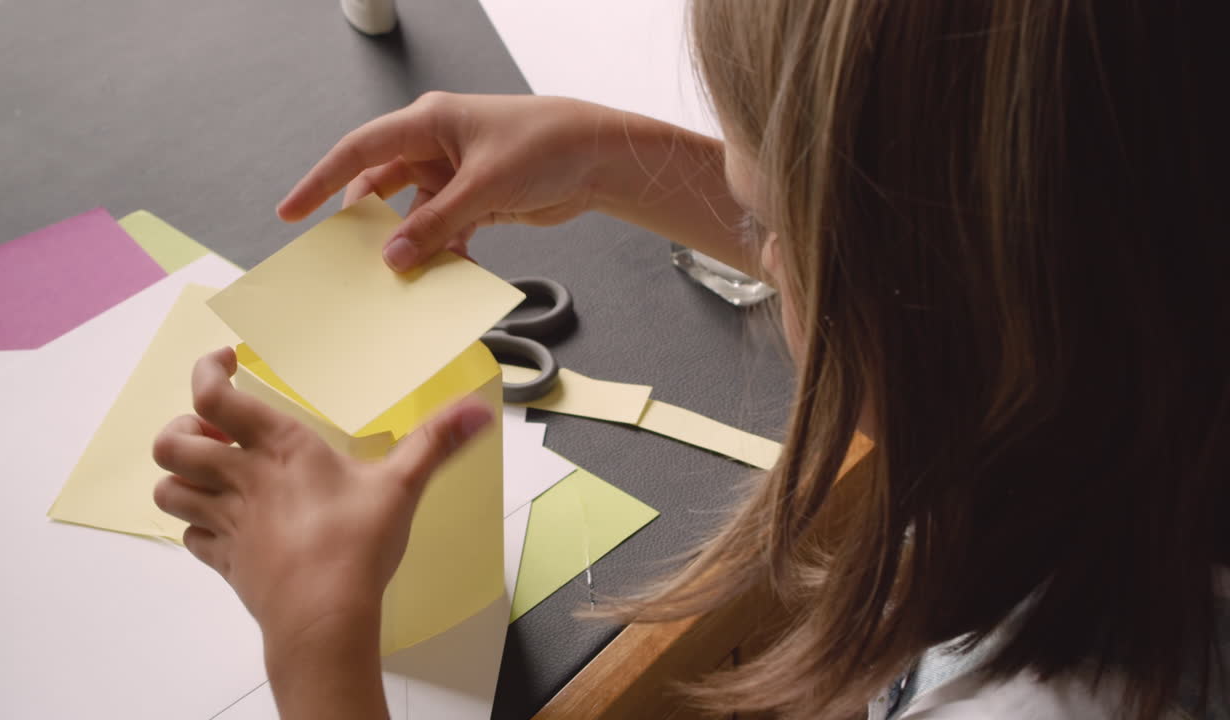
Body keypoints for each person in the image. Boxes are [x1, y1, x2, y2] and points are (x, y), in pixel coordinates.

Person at [151, 1, 1228, 718]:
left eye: (761, 219)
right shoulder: (1125, 393)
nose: (752, 241)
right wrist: (613, 155)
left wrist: (321, 647)